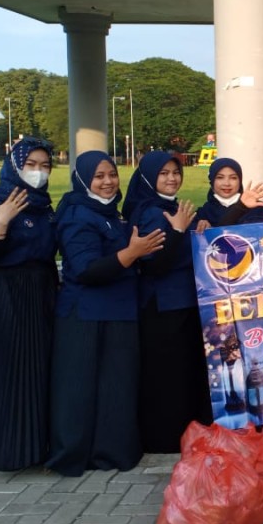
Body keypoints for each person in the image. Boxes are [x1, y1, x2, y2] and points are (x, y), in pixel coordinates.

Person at [48, 151, 165, 476]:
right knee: (78, 388)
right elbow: (86, 269)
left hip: (119, 312)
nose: (107, 181)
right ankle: (73, 454)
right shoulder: (76, 215)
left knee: (117, 386)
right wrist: (132, 253)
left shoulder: (112, 214)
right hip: (86, 315)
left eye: (111, 174)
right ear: (85, 179)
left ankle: (110, 452)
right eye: (99, 176)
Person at [0, 137, 58, 471]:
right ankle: (3, 451)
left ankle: (35, 448)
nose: (37, 173)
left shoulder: (45, 207)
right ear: (15, 166)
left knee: (37, 370)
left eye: (44, 166)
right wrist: (1, 223)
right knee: (5, 371)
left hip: (40, 293)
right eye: (30, 165)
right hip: (6, 294)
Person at [122, 152, 210, 453]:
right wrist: (177, 232)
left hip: (184, 303)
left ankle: (186, 434)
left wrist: (198, 231)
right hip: (162, 308)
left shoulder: (174, 208)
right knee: (166, 379)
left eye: (175, 172)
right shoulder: (150, 212)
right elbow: (154, 264)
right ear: (148, 177)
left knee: (185, 375)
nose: (171, 178)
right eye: (163, 174)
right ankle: (165, 440)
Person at [195, 157, 243, 232]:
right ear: (212, 181)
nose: (227, 183)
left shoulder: (255, 209)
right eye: (220, 177)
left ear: (240, 181)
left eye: (233, 178)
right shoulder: (203, 214)